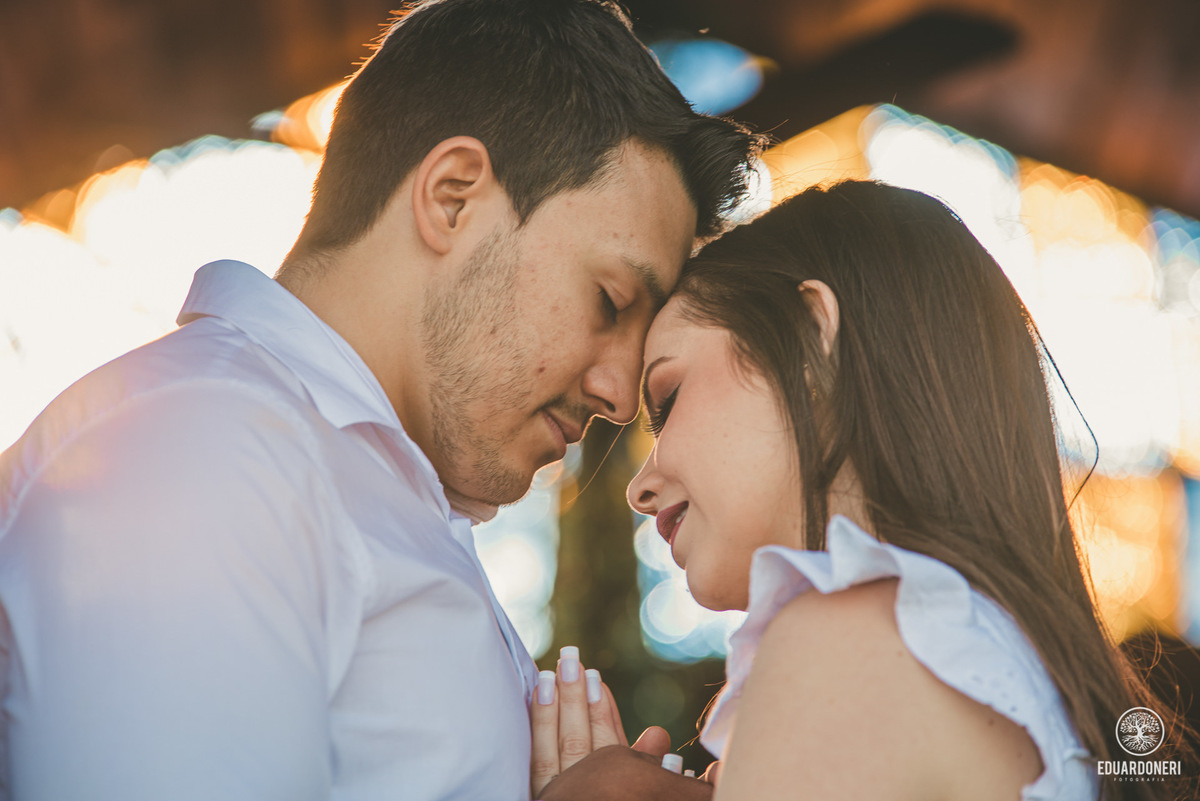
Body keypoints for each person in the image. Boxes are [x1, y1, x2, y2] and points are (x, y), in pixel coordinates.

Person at [0, 1, 762, 798]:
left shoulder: (344, 481)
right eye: (610, 300)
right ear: (452, 197)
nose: (619, 394)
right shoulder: (197, 451)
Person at [534, 180, 1195, 800]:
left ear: (809, 336)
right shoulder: (998, 657)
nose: (640, 488)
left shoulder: (843, 643)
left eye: (669, 398)